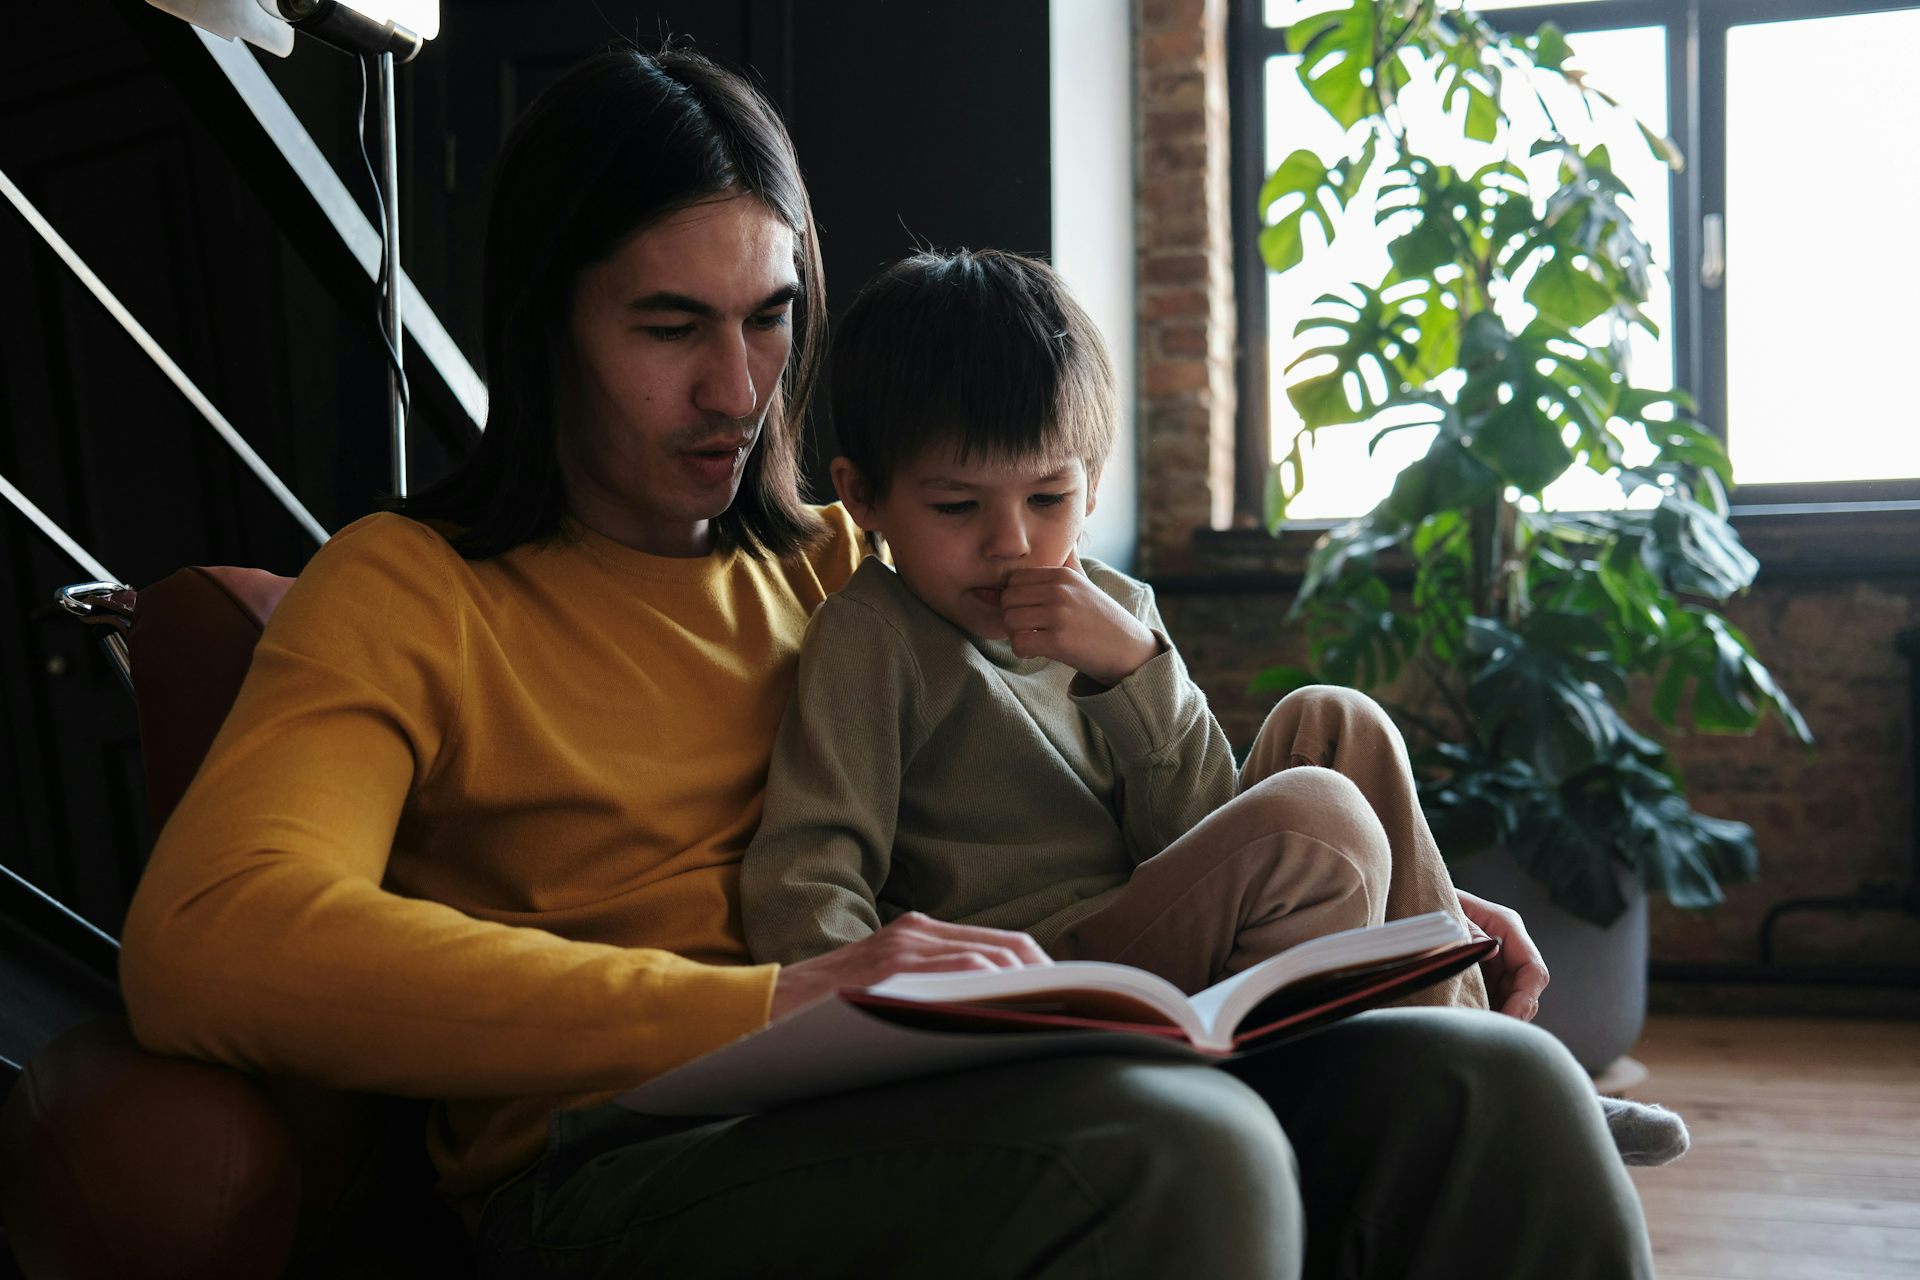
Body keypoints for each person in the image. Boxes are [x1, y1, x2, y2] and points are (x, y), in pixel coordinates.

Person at [117, 41, 1656, 1278]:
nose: (739, 391)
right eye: (670, 327)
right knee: (1173, 1146)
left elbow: (1087, 797)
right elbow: (212, 944)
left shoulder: (849, 555)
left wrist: (1374, 929)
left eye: (772, 318)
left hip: (947, 1083)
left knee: (1497, 1089)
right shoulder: (410, 590)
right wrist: (772, 1002)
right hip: (624, 1164)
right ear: (544, 327)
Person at [741, 247, 1688, 1166]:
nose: (1012, 543)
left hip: (1155, 929)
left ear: (1092, 484)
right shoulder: (871, 638)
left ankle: (1490, 1076)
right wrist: (875, 1049)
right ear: (864, 497)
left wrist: (1133, 669)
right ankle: (1468, 1106)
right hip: (1033, 975)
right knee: (1315, 819)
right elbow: (807, 878)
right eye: (957, 507)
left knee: (1338, 722)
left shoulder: (1119, 614)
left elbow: (1191, 825)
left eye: (1049, 497)